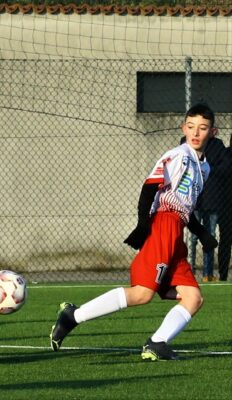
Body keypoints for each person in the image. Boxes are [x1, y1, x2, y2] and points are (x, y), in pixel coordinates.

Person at [50, 103, 218, 361]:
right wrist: (143, 225)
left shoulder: (203, 167)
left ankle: (157, 343)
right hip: (163, 225)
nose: (196, 133)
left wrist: (202, 233)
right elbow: (150, 186)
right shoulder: (179, 155)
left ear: (212, 132)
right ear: (183, 128)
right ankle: (73, 316)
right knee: (142, 293)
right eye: (191, 126)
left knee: (193, 298)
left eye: (202, 128)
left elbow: (185, 206)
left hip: (177, 232)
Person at [182, 133, 227, 282]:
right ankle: (190, 271)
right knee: (193, 238)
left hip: (212, 199)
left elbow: (225, 167)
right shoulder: (187, 141)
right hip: (194, 199)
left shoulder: (217, 145)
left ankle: (207, 273)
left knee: (210, 236)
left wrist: (206, 167)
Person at [217, 139, 232, 281]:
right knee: (225, 241)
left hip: (225, 205)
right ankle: (222, 275)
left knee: (225, 241)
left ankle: (223, 274)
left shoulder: (224, 155)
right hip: (226, 205)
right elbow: (221, 171)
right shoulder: (225, 155)